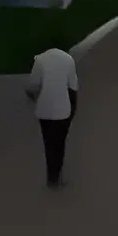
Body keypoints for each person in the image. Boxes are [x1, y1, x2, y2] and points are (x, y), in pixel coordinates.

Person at [25, 42, 78, 185]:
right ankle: (57, 174)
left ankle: (51, 175)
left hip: (44, 110)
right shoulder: (68, 60)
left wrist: (33, 97)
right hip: (63, 110)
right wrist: (73, 109)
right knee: (60, 143)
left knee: (48, 143)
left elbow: (32, 85)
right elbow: (73, 86)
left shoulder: (40, 60)